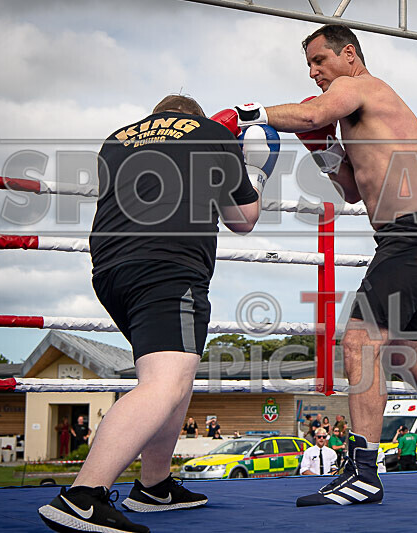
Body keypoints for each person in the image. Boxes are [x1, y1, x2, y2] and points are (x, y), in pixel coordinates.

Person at [234, 23, 417, 507]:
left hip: (413, 237)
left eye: (320, 61)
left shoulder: (358, 87)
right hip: (411, 238)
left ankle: (363, 474)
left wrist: (246, 116)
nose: (315, 73)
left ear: (349, 55)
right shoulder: (358, 114)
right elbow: (353, 192)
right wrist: (323, 150)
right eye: (310, 66)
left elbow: (312, 111)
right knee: (397, 351)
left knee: (359, 339)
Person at [38, 94, 272, 533]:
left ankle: (155, 486)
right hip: (168, 268)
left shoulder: (116, 139)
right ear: (195, 118)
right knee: (165, 383)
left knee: (175, 374)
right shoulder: (213, 134)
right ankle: (83, 497)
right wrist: (256, 170)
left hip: (110, 273)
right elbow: (242, 218)